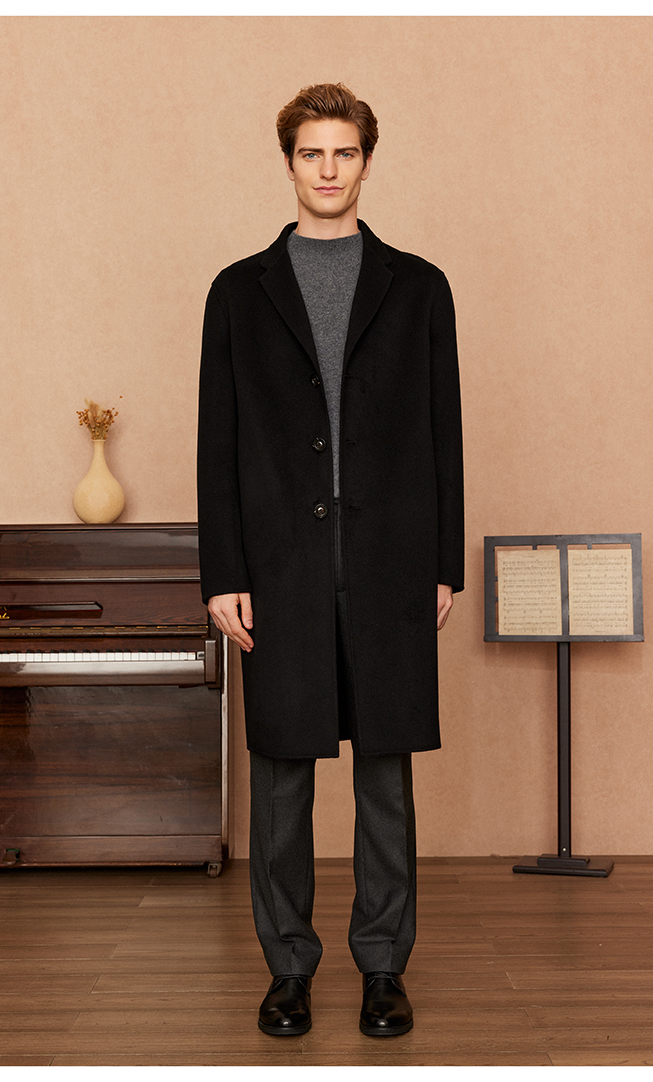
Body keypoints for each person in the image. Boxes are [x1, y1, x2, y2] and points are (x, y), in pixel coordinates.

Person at [197, 82, 464, 1038]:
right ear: (289, 163)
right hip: (278, 570)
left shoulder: (420, 286)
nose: (328, 168)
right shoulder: (238, 291)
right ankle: (288, 970)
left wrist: (443, 562)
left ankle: (384, 967)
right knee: (282, 779)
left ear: (365, 162)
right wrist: (224, 572)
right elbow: (218, 442)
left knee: (385, 779)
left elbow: (444, 432)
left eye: (344, 152)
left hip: (390, 565)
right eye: (312, 152)